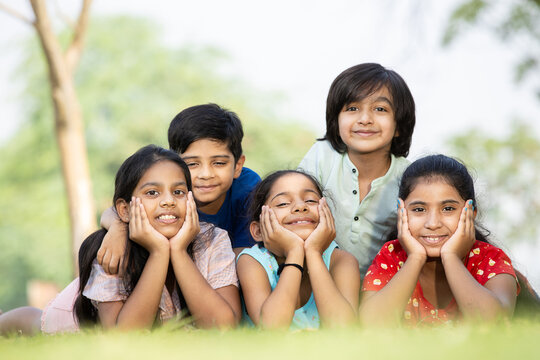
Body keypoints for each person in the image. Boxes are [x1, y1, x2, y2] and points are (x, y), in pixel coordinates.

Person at [0, 145, 240, 335]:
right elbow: (124, 336)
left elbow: (223, 327)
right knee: (31, 323)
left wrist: (177, 251)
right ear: (124, 210)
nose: (168, 201)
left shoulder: (212, 240)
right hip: (70, 318)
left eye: (178, 192)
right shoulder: (114, 246)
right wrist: (158, 253)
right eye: (152, 193)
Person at [98, 104, 260, 275]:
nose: (206, 174)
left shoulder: (248, 188)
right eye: (192, 164)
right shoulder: (168, 196)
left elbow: (242, 263)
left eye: (219, 163)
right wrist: (118, 230)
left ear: (237, 166)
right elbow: (117, 211)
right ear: (173, 164)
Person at [359, 154, 519, 326]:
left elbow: (496, 323)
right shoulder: (392, 255)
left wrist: (451, 257)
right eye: (419, 209)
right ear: (401, 212)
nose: (433, 223)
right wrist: (415, 258)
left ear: (471, 214)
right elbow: (371, 324)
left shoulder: (490, 259)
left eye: (448, 208)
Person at [298, 63, 416, 274]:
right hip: (317, 282)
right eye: (352, 108)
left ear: (399, 125)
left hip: (381, 290)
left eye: (380, 109)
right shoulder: (322, 155)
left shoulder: (410, 178)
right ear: (336, 119)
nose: (365, 119)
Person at [237, 170, 360, 330]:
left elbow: (343, 330)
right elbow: (272, 329)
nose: (300, 207)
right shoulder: (252, 262)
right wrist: (295, 252)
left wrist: (313, 253)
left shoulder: (342, 261)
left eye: (310, 200)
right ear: (259, 231)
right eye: (282, 203)